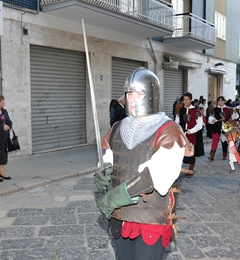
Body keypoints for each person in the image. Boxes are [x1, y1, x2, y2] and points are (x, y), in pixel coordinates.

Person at [94, 67, 189, 260]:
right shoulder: (118, 127)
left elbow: (156, 177)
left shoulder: (169, 131)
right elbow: (109, 158)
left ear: (150, 96)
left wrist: (113, 198)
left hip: (150, 217)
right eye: (129, 94)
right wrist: (104, 172)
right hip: (120, 215)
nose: (130, 99)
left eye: (137, 94)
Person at [175, 92, 203, 175]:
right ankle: (178, 168)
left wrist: (191, 131)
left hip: (192, 134)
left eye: (187, 99)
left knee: (191, 152)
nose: (186, 101)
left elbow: (199, 125)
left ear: (191, 100)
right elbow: (176, 122)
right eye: (184, 100)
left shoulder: (196, 111)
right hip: (182, 133)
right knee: (179, 152)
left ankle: (191, 168)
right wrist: (179, 130)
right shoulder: (180, 110)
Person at [208, 96, 239, 161]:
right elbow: (210, 117)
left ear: (224, 101)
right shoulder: (215, 109)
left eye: (221, 101)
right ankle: (212, 155)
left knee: (224, 142)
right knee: (215, 141)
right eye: (219, 101)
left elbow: (234, 117)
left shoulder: (228, 109)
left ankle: (224, 155)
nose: (220, 102)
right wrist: (213, 119)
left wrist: (235, 112)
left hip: (226, 128)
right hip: (216, 127)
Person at [0, 95, 12, 182]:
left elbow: (10, 122)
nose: (3, 103)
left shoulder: (4, 111)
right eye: (2, 102)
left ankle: (1, 173)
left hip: (5, 137)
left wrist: (9, 126)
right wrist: (2, 127)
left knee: (3, 155)